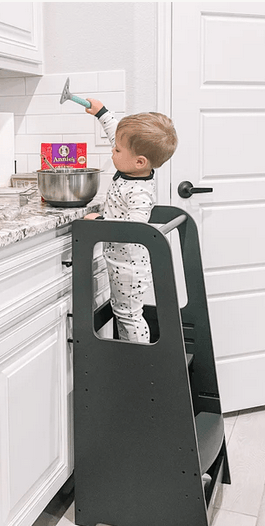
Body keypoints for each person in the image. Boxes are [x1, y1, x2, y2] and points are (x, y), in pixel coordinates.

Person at [83, 99, 178, 343]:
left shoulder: (139, 191)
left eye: (117, 151)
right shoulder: (133, 170)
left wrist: (101, 221)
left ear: (139, 161)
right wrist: (101, 112)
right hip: (120, 261)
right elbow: (116, 134)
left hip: (129, 267)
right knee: (122, 312)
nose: (112, 151)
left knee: (129, 315)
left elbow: (135, 228)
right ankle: (130, 351)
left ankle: (141, 356)